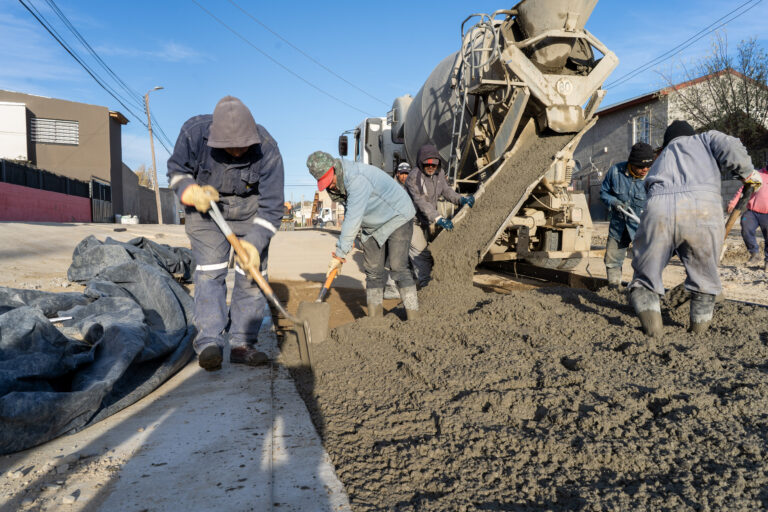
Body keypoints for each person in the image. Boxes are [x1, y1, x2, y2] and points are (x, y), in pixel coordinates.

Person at [167, 96, 284, 371]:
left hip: (251, 212)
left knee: (252, 275)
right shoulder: (193, 133)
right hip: (205, 209)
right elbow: (175, 171)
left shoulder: (268, 149)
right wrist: (188, 189)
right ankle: (210, 342)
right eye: (228, 147)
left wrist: (255, 244)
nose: (236, 152)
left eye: (242, 147)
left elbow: (272, 207)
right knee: (210, 272)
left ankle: (243, 344)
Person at [628, 120, 763, 337]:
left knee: (645, 278)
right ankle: (697, 335)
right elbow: (730, 145)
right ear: (691, 134)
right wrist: (747, 172)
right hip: (703, 210)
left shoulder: (661, 156)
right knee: (705, 281)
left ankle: (654, 333)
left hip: (658, 209)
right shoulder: (705, 138)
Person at [306, 151, 419, 319]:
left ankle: (413, 318)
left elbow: (353, 217)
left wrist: (339, 254)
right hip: (372, 224)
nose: (329, 186)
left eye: (329, 181)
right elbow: (352, 215)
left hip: (397, 215)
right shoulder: (340, 182)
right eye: (324, 183)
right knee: (373, 272)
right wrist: (349, 239)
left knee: (398, 267)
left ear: (334, 169)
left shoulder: (356, 179)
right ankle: (375, 320)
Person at [404, 144, 475, 287]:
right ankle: (425, 289)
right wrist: (438, 219)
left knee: (431, 254)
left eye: (434, 165)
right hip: (410, 221)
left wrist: (460, 199)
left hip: (426, 220)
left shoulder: (439, 173)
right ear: (421, 162)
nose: (431, 167)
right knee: (421, 254)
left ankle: (426, 283)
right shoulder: (414, 177)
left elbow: (447, 191)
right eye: (427, 164)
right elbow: (421, 202)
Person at [599, 142, 654, 287]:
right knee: (612, 259)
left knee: (644, 262)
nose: (645, 169)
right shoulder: (615, 172)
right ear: (631, 163)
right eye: (641, 166)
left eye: (648, 166)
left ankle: (641, 290)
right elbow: (604, 192)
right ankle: (614, 287)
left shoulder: (653, 177)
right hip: (619, 226)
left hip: (642, 229)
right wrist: (613, 202)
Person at [727, 165, 768, 271]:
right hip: (752, 212)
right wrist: (733, 202)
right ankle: (755, 254)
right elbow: (742, 189)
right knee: (746, 228)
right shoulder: (757, 175)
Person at [384, 162, 416, 299]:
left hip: (408, 224)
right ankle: (391, 287)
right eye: (402, 174)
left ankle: (412, 282)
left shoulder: (412, 185)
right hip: (396, 225)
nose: (404, 176)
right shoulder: (391, 187)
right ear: (397, 173)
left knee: (410, 255)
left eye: (407, 173)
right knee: (395, 257)